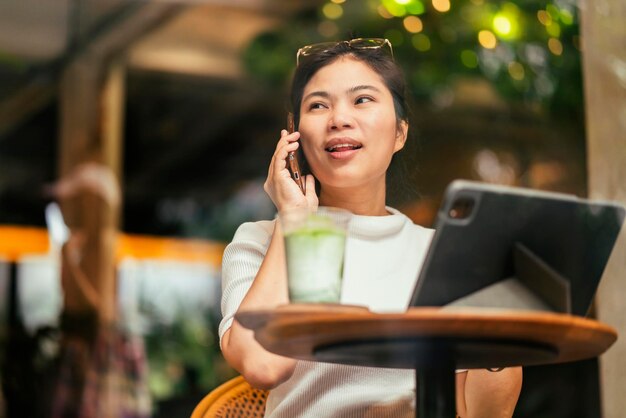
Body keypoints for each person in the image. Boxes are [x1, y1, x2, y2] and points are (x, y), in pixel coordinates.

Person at [219, 38, 522, 417]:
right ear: (294, 139)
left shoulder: (446, 252)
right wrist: (293, 221)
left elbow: (480, 412)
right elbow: (263, 366)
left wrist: (496, 331)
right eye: (318, 105)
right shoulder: (259, 241)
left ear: (400, 133)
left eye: (362, 99)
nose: (339, 119)